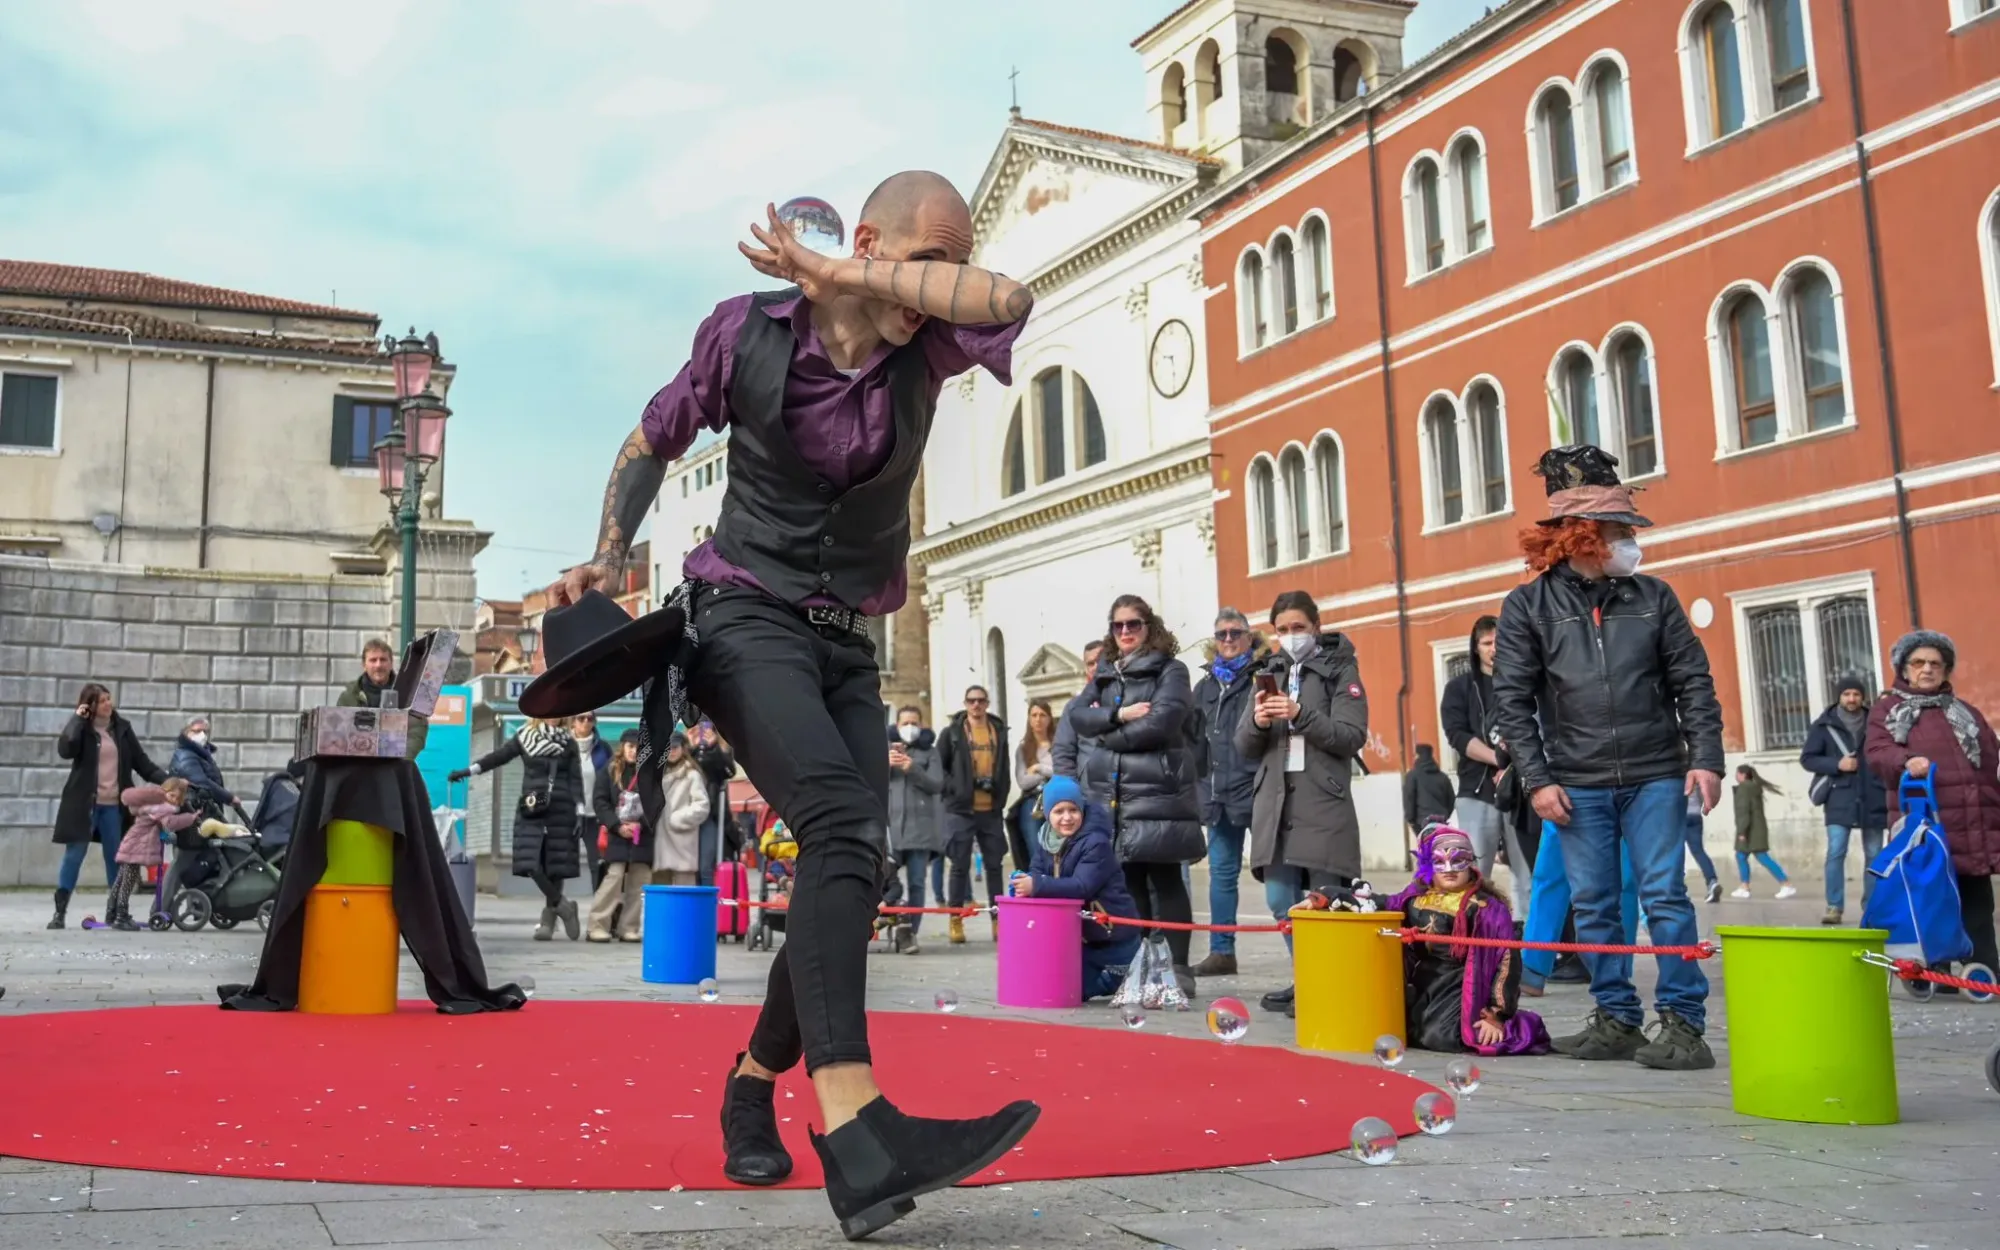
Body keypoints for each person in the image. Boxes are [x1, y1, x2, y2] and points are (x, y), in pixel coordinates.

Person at [549, 173, 1040, 1236]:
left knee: (849, 865)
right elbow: (652, 441)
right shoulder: (744, 333)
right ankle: (858, 1128)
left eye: (953, 258)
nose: (946, 277)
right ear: (873, 238)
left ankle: (747, 1078)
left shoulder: (931, 342)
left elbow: (1012, 300)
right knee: (835, 820)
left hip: (844, 641)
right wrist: (604, 553)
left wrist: (854, 273)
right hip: (739, 614)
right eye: (931, 254)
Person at [1492, 445, 1725, 1071]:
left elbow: (1692, 682)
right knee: (1593, 904)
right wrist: (1538, 781)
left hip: (1655, 773)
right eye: (1620, 531)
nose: (1632, 544)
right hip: (1577, 781)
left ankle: (1682, 1024)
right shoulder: (1528, 608)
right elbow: (1513, 703)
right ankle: (1617, 1017)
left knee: (1664, 895)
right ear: (1584, 536)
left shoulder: (1655, 597)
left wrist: (1706, 758)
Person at [1057, 594, 1205, 994]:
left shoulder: (1171, 670)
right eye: (1118, 625)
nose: (1125, 632)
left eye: (1133, 624)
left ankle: (1179, 967)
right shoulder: (1105, 674)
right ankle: (1140, 965)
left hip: (1158, 791)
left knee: (1167, 878)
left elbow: (1163, 721)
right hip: (1115, 795)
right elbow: (1077, 716)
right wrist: (1118, 716)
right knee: (1129, 879)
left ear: (1148, 627)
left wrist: (1108, 738)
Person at [1236, 591, 1368, 1016]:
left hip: (1322, 797)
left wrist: (1299, 714)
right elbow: (1242, 744)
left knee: (1326, 899)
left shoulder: (1340, 670)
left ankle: (1330, 981)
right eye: (1282, 630)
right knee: (1280, 899)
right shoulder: (1268, 670)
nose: (1291, 637)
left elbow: (1350, 736)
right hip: (1275, 802)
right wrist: (1258, 722)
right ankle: (1307, 977)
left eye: (1299, 628)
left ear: (1316, 627)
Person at [1864, 630, 2000, 974]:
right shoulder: (1888, 710)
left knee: (1978, 902)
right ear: (1905, 669)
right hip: (1925, 824)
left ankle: (1984, 969)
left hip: (1973, 826)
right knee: (1931, 899)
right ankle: (1934, 971)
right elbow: (1877, 752)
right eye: (1919, 662)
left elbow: (1989, 758)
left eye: (1936, 664)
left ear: (1946, 669)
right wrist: (1905, 760)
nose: (1927, 669)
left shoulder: (1964, 711)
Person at [1376, 826, 1550, 1055]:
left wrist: (1497, 1014)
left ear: (1470, 862)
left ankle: (1524, 1027)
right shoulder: (1414, 897)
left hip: (1463, 983)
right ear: (1428, 864)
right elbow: (1384, 904)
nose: (1449, 869)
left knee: (1447, 1039)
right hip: (1425, 982)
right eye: (1440, 861)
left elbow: (1506, 960)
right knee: (1407, 1031)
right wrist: (1336, 895)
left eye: (1458, 860)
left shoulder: (1487, 908)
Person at [1010, 775, 1141, 1000]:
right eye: (1059, 811)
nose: (1067, 818)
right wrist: (1022, 883)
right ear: (1048, 814)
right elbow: (1037, 873)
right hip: (1082, 942)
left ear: (1082, 810)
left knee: (1079, 989)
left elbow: (1082, 886)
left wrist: (1037, 885)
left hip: (1115, 939)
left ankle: (1122, 977)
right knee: (1061, 989)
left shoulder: (1095, 843)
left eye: (1073, 810)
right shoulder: (1045, 843)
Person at [452, 719, 584, 941]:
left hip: (562, 808)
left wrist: (580, 811)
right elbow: (499, 757)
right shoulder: (525, 737)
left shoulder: (568, 742)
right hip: (532, 806)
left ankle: (548, 921)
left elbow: (575, 778)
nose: (553, 717)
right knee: (531, 863)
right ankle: (564, 906)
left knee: (555, 865)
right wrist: (469, 771)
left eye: (557, 713)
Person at [51, 684, 166, 930]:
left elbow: (142, 763)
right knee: (74, 856)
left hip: (113, 806)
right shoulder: (81, 729)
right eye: (102, 700)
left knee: (117, 858)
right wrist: (76, 718)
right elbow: (65, 750)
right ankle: (59, 912)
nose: (108, 704)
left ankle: (116, 912)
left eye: (108, 699)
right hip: (84, 806)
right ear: (90, 705)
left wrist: (168, 781)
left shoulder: (122, 729)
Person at [1190, 608, 1265, 978]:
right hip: (1217, 795)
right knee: (1221, 874)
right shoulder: (1203, 686)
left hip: (1257, 790)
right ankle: (1222, 951)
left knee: (1278, 879)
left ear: (1250, 638)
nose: (1229, 639)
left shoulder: (1263, 678)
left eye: (1236, 633)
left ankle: (1303, 954)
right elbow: (1191, 740)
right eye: (1222, 634)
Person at [1441, 615, 1529, 879]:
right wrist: (1499, 759)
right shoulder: (1459, 687)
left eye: (1499, 641)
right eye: (1487, 642)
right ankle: (1476, 921)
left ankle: (1528, 922)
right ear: (1476, 648)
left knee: (1529, 876)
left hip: (1522, 793)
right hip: (1477, 791)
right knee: (1474, 875)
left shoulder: (1522, 683)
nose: (1494, 648)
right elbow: (1456, 735)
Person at [1801, 676, 1887, 924]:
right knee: (1836, 852)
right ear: (1839, 696)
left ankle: (1871, 907)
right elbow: (1808, 759)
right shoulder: (1823, 725)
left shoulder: (1876, 723)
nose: (1852, 699)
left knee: (1874, 853)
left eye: (1856, 694)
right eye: (1847, 694)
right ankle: (1834, 906)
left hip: (1873, 796)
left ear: (1863, 697)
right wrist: (1837, 764)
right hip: (1839, 796)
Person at [937, 685, 1011, 944]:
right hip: (961, 809)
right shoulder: (952, 733)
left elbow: (1004, 765)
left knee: (994, 866)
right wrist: (953, 790)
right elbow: (939, 767)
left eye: (980, 701)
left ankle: (997, 920)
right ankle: (955, 919)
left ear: (987, 703)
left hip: (990, 809)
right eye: (971, 701)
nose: (976, 705)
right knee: (959, 866)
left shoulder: (998, 730)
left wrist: (1001, 793)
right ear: (965, 704)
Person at [886, 706, 944, 953]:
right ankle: (892, 921)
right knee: (884, 878)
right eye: (904, 722)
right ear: (896, 726)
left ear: (921, 726)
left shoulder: (930, 752)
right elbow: (868, 780)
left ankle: (911, 933)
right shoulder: (885, 750)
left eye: (914, 722)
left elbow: (937, 784)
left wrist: (913, 769)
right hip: (891, 829)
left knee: (917, 883)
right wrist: (886, 764)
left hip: (921, 830)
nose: (909, 726)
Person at [111, 777, 199, 930]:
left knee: (121, 879)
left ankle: (111, 912)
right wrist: (191, 818)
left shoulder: (152, 805)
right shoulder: (162, 808)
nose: (173, 800)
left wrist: (165, 836)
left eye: (177, 798)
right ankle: (121, 916)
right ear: (164, 791)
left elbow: (158, 827)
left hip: (133, 842)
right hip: (138, 846)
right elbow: (170, 823)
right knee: (127, 882)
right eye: (171, 795)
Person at [588, 731, 650, 942]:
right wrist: (616, 825)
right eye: (630, 747)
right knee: (613, 878)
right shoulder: (610, 770)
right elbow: (600, 801)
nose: (634, 751)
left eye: (638, 748)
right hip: (616, 834)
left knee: (639, 882)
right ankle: (597, 924)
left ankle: (629, 927)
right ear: (623, 747)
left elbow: (657, 805)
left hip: (642, 836)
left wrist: (639, 825)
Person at [337, 638, 429, 759]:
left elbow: (417, 729)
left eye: (383, 660)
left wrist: (402, 757)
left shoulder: (407, 693)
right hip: (357, 766)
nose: (378, 665)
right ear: (364, 665)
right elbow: (340, 733)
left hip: (395, 765)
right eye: (373, 660)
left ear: (391, 663)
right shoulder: (349, 697)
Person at [654, 732, 712, 886]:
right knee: (660, 889)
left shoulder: (692, 774)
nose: (671, 751)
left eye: (675, 747)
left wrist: (679, 818)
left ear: (682, 749)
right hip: (659, 841)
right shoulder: (656, 773)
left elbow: (702, 806)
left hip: (682, 839)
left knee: (684, 889)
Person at [1730, 764, 1795, 899]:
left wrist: (1742, 831)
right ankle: (1745, 886)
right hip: (1756, 828)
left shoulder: (1744, 788)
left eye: (1737, 773)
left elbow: (1744, 811)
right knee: (1742, 856)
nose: (1736, 776)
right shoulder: (1754, 787)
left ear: (1742, 774)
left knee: (1761, 857)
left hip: (1750, 830)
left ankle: (1786, 884)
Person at [1009, 698, 1057, 876]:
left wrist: (1038, 768)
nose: (1038, 719)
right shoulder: (1023, 748)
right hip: (1033, 801)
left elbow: (1063, 773)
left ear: (1049, 719)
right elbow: (1023, 781)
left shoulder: (1058, 745)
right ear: (1029, 719)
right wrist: (1047, 773)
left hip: (1057, 800)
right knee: (1036, 850)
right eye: (1034, 715)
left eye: (1043, 715)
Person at [688, 720, 736, 885]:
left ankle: (708, 906)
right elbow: (681, 769)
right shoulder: (686, 747)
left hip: (710, 812)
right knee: (687, 867)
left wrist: (712, 748)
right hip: (686, 810)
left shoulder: (720, 749)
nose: (702, 731)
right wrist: (692, 748)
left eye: (707, 728)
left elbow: (727, 772)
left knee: (705, 866)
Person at [571, 713, 613, 890]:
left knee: (598, 863)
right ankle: (555, 906)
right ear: (572, 722)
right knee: (558, 863)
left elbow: (612, 781)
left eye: (590, 719)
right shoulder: (563, 746)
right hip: (569, 814)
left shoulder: (603, 749)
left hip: (595, 815)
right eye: (581, 718)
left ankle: (600, 908)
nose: (586, 723)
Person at [167, 717, 235, 809]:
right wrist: (229, 798)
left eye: (205, 732)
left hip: (205, 810)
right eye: (197, 731)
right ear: (186, 733)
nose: (202, 735)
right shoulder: (185, 755)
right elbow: (202, 783)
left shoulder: (203, 755)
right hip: (193, 813)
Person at [1404, 745, 1458, 837]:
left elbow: (1409, 798)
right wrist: (1444, 815)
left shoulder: (1412, 776)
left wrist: (1410, 819)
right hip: (1441, 821)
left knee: (1425, 849)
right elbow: (1452, 800)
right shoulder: (1443, 777)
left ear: (1417, 756)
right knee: (1439, 848)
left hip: (1421, 822)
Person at [1683, 790, 1722, 904]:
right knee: (1699, 851)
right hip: (1696, 815)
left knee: (1676, 851)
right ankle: (1712, 881)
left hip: (1680, 815)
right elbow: (1701, 798)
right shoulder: (1695, 775)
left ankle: (1678, 889)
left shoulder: (1677, 775)